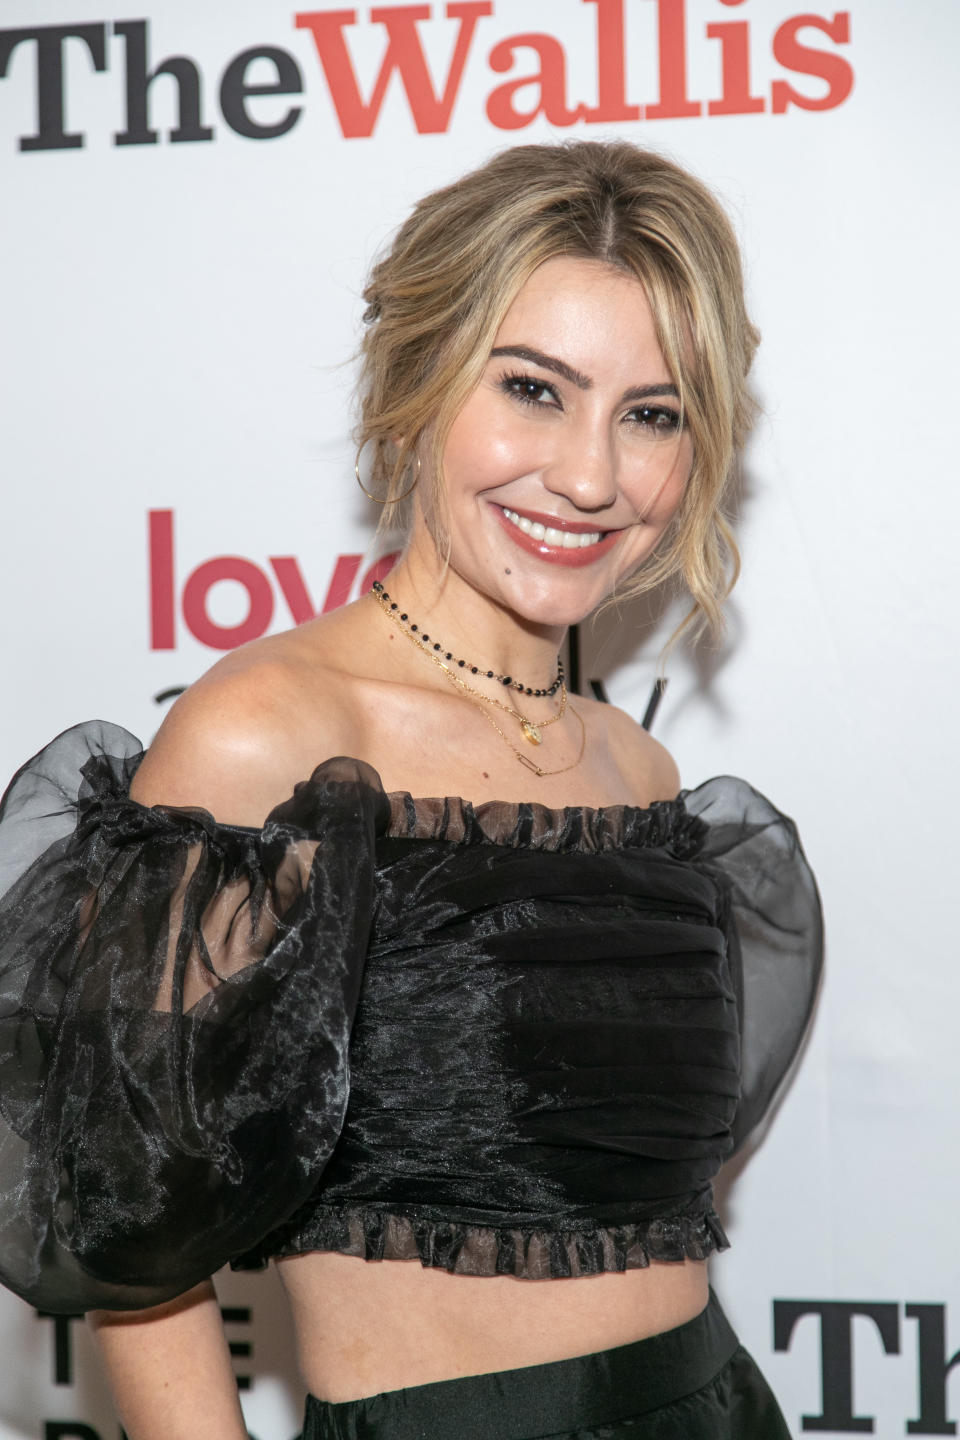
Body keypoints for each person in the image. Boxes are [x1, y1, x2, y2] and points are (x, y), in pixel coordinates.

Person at [0, 141, 821, 1439]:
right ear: (417, 384)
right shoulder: (265, 736)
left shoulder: (643, 773)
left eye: (651, 414)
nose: (592, 475)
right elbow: (134, 1252)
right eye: (534, 390)